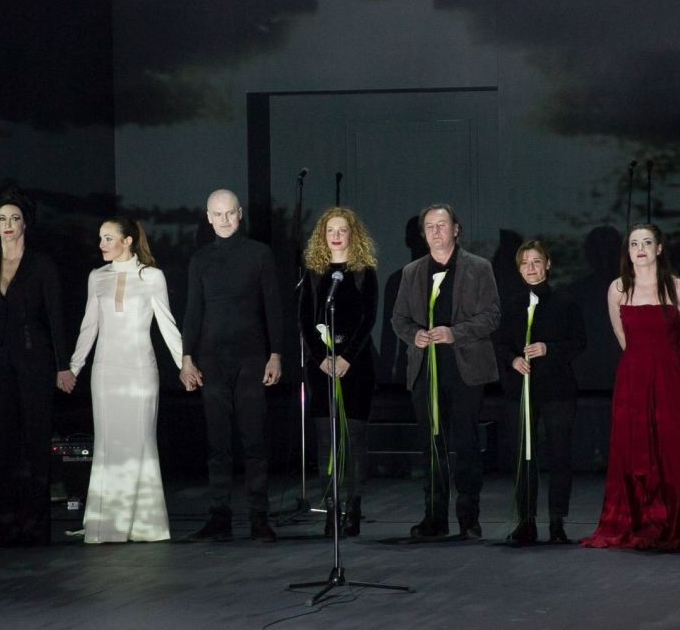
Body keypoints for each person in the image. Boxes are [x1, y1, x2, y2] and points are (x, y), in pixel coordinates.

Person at [62, 217, 183, 543]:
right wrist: (74, 367)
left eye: (108, 238)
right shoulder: (97, 277)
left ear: (127, 240)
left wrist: (184, 363)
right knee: (108, 444)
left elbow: (167, 324)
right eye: (101, 238)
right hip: (105, 372)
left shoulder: (151, 276)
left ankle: (145, 524)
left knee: (141, 441)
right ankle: (106, 525)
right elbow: (90, 325)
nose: (101, 244)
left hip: (140, 370)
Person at [580, 224, 680, 550]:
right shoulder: (618, 288)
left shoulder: (677, 287)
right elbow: (622, 336)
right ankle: (636, 520)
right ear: (628, 251)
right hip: (633, 378)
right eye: (634, 244)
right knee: (632, 449)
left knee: (671, 448)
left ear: (659, 248)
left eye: (647, 242)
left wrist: (671, 362)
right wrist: (642, 363)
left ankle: (666, 523)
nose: (641, 249)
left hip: (671, 378)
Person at [179, 189, 285, 542]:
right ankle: (219, 517)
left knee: (254, 439)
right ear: (208, 217)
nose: (224, 220)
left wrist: (275, 354)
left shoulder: (259, 254)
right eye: (217, 214)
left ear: (240, 214)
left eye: (230, 213)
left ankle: (258, 517)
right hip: (211, 358)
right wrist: (186, 357)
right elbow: (193, 310)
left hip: (251, 357)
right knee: (218, 442)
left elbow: (273, 306)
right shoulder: (200, 259)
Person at [392, 204, 500, 539]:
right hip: (426, 370)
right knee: (431, 446)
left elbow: (492, 315)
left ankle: (469, 519)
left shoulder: (478, 268)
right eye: (429, 226)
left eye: (442, 225)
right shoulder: (412, 272)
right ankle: (434, 518)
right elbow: (399, 319)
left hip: (465, 369)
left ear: (456, 229)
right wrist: (415, 335)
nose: (436, 231)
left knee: (466, 444)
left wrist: (455, 333)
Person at [0, 188, 72, 545]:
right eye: (2, 218)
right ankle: (5, 519)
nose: (8, 225)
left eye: (14, 218)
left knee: (35, 437)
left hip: (34, 358)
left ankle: (36, 521)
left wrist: (63, 365)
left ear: (25, 223)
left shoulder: (41, 264)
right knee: (2, 438)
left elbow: (55, 316)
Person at [495, 240, 586, 544]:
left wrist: (549, 348)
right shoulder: (512, 304)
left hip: (558, 391)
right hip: (521, 392)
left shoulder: (565, 302)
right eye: (525, 263)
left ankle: (557, 522)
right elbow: (500, 343)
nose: (531, 268)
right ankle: (527, 521)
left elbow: (579, 342)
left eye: (536, 261)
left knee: (560, 456)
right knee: (525, 458)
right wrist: (513, 360)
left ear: (548, 264)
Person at [298, 207, 379, 537]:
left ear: (352, 234)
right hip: (321, 365)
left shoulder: (364, 272)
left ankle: (354, 508)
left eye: (342, 230)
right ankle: (331, 510)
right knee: (325, 441)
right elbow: (305, 319)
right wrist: (321, 357)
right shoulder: (314, 273)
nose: (335, 235)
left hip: (356, 364)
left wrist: (347, 356)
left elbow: (368, 318)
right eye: (330, 230)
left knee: (355, 438)